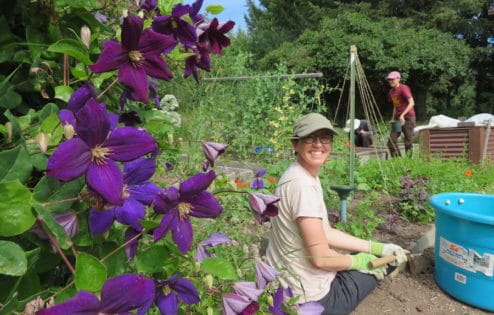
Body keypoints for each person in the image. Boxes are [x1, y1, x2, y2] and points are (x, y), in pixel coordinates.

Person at [265, 113, 408, 315]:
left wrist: (379, 247)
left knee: (373, 255)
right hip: (309, 302)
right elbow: (321, 259)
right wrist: (360, 262)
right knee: (386, 264)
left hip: (281, 289)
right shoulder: (301, 185)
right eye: (309, 138)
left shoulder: (299, 175)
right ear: (295, 144)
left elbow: (326, 232)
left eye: (324, 138)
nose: (318, 145)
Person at [385, 71, 416, 157]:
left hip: (408, 117)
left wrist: (402, 115)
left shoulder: (403, 88)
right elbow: (395, 105)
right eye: (389, 80)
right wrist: (393, 118)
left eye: (392, 79)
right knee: (391, 142)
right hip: (398, 119)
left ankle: (408, 162)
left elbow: (412, 103)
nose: (390, 81)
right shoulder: (391, 92)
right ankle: (398, 161)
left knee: (408, 142)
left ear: (398, 79)